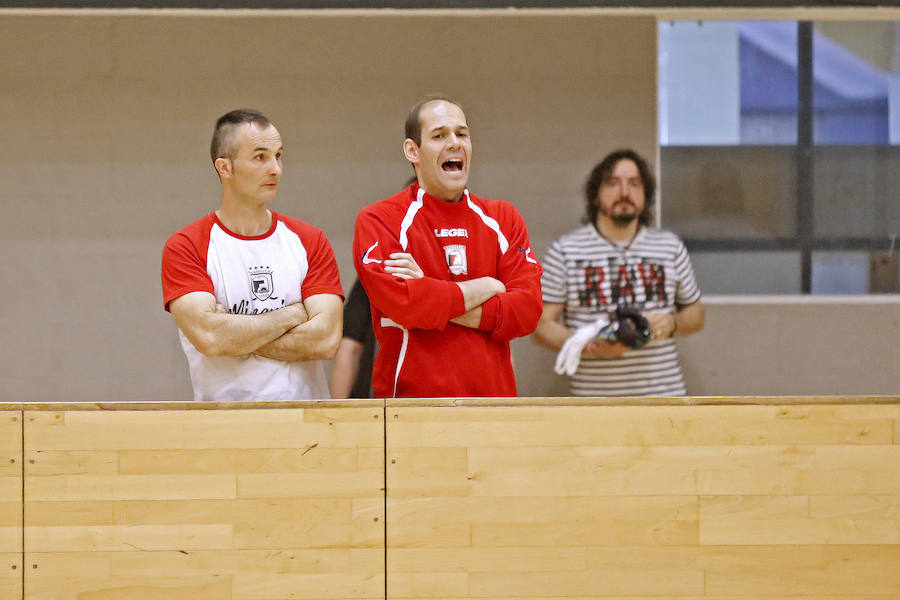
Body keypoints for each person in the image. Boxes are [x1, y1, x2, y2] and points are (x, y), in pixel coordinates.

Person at [352, 95, 543, 398]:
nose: (454, 143)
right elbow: (404, 304)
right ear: (412, 150)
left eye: (462, 134)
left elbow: (527, 311)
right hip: (410, 409)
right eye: (439, 135)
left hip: (493, 409)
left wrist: (429, 292)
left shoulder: (503, 218)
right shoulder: (380, 220)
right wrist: (489, 285)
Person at [161, 109, 343, 401]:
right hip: (226, 430)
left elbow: (326, 340)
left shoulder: (310, 240)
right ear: (225, 168)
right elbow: (210, 338)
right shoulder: (186, 246)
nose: (276, 169)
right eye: (260, 157)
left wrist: (235, 334)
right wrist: (295, 314)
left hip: (308, 426)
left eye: (279, 155)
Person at [532, 149, 705, 396]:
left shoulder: (669, 247)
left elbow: (696, 314)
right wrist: (590, 346)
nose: (624, 193)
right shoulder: (566, 250)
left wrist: (672, 322)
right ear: (595, 195)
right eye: (613, 183)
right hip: (595, 404)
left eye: (634, 184)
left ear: (646, 195)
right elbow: (540, 328)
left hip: (664, 399)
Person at [329, 279, 376, 398]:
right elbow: (349, 348)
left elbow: (349, 349)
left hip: (372, 401)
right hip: (372, 399)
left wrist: (337, 412)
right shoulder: (374, 272)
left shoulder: (378, 268)